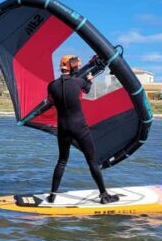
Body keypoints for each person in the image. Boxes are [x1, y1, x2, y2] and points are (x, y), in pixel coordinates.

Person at [46, 55, 119, 204]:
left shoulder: (52, 86)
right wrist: (90, 80)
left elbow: (51, 101)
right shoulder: (79, 82)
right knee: (91, 160)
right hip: (79, 127)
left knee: (62, 160)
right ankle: (104, 196)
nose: (78, 67)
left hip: (63, 128)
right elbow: (86, 89)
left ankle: (52, 195)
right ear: (72, 67)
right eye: (77, 66)